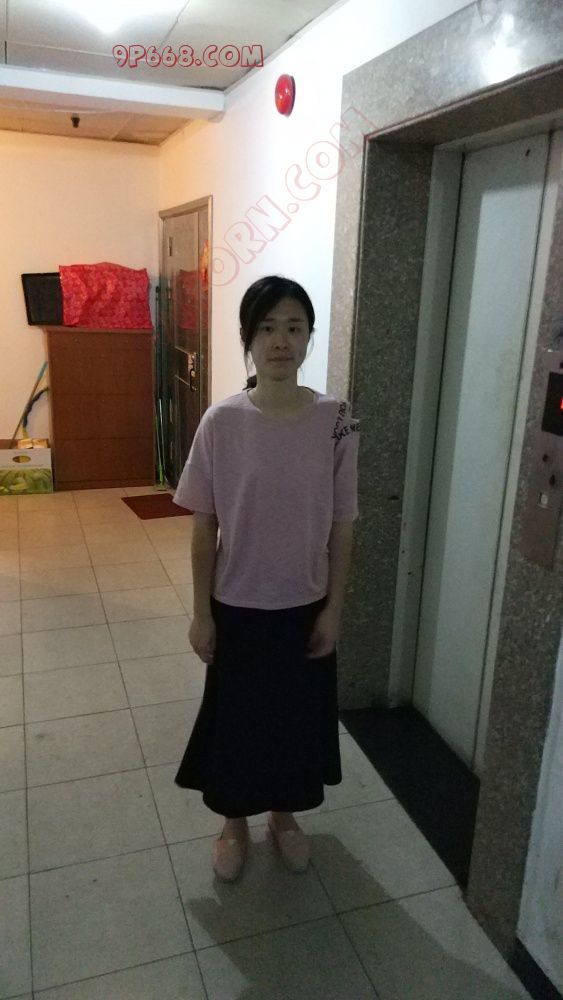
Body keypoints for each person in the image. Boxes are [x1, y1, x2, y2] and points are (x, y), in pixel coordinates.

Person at [173, 274, 360, 882]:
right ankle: (233, 824)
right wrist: (201, 613)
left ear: (309, 337)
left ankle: (283, 815)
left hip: (304, 603)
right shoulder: (221, 422)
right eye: (268, 328)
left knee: (294, 721)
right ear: (248, 339)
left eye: (294, 327)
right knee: (238, 722)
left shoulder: (337, 419)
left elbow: (343, 523)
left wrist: (333, 609)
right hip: (238, 603)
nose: (282, 340)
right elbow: (204, 526)